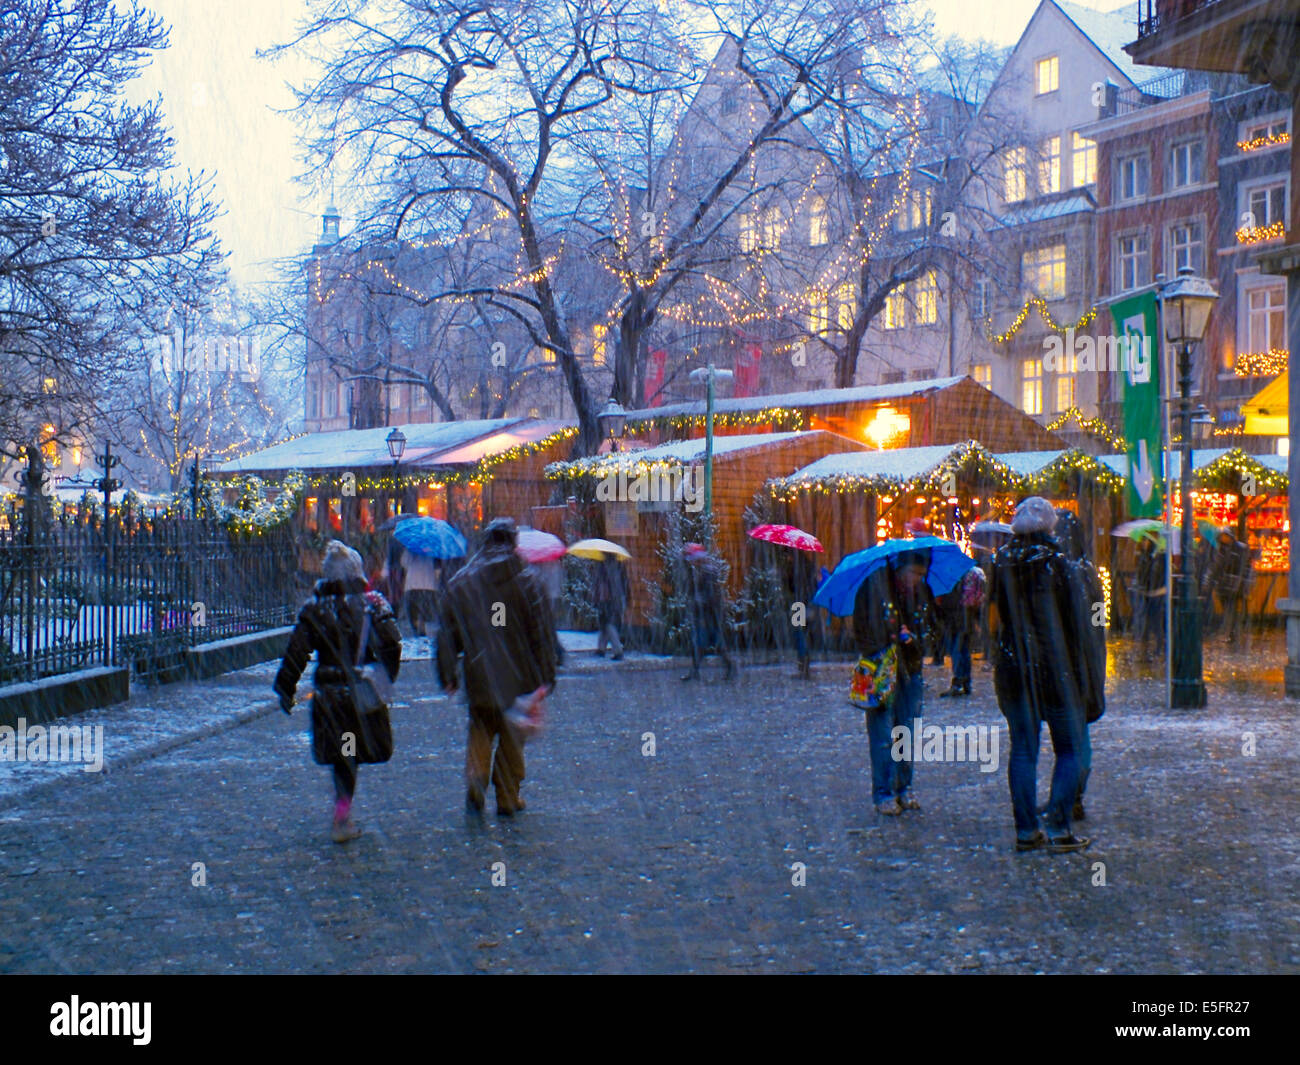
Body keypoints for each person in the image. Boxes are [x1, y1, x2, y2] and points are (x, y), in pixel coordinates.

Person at [274, 540, 402, 843]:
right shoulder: (374, 605)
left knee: (342, 756)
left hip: (329, 696)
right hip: (358, 693)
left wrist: (285, 686)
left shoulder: (316, 609)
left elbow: (297, 651)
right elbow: (392, 645)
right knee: (350, 756)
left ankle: (342, 812)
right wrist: (384, 676)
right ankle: (342, 816)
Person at [437, 518, 558, 817]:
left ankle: (476, 777)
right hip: (520, 676)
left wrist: (447, 672)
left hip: (480, 672)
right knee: (512, 737)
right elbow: (542, 634)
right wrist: (547, 674)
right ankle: (507, 795)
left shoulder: (462, 583)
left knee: (480, 728)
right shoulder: (530, 582)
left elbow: (447, 634)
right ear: (514, 542)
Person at [990, 498, 1090, 853]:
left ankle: (1026, 830)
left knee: (1023, 751)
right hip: (1054, 667)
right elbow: (1076, 623)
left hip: (1014, 668)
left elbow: (998, 613)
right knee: (1070, 747)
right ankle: (1059, 827)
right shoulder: (1059, 563)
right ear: (1050, 526)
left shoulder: (1000, 561)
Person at [853, 551, 929, 815]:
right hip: (881, 672)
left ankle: (903, 788)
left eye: (921, 575)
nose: (916, 580)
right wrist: (891, 638)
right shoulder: (873, 588)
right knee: (883, 735)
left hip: (910, 669)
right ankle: (883, 793)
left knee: (905, 733)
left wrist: (913, 640)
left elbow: (932, 629)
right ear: (900, 569)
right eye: (913, 573)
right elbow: (862, 631)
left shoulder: (921, 592)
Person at [1053, 509, 1106, 822]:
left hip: (1070, 662)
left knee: (1072, 739)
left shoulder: (1064, 571)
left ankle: (1069, 797)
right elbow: (1098, 618)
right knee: (1078, 736)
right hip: (1083, 661)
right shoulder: (1086, 570)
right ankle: (1073, 795)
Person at [682, 543, 734, 681]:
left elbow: (709, 595)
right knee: (706, 642)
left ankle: (728, 667)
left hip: (709, 613)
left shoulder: (707, 573)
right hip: (709, 613)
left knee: (705, 642)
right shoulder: (703, 571)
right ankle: (698, 670)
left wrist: (701, 605)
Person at [938, 566, 983, 697]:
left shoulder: (951, 575)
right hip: (965, 616)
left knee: (956, 650)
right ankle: (966, 682)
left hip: (955, 618)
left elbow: (950, 599)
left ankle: (958, 682)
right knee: (963, 650)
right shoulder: (969, 572)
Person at [787, 549, 817, 680]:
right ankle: (805, 664)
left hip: (798, 604)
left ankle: (802, 663)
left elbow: (791, 586)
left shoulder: (795, 570)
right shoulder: (809, 567)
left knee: (798, 634)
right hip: (809, 603)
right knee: (805, 634)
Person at [591, 553, 628, 660]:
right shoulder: (619, 566)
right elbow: (625, 582)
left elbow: (601, 585)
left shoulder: (603, 567)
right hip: (617, 598)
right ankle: (601, 649)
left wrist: (597, 598)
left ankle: (618, 651)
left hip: (606, 599)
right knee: (605, 623)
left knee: (607, 624)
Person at [1134, 538, 1167, 659]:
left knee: (1156, 622)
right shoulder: (1145, 557)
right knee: (1148, 622)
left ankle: (1159, 647)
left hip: (1157, 593)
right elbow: (1143, 574)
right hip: (1148, 593)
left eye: (1145, 541)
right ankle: (1148, 649)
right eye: (1142, 541)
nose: (1143, 543)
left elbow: (1160, 575)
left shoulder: (1159, 558)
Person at [402, 547, 440, 637]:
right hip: (429, 584)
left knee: (413, 612)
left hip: (413, 585)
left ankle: (419, 632)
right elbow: (437, 567)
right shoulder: (433, 547)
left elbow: (404, 562)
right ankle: (424, 632)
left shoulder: (411, 547)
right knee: (426, 613)